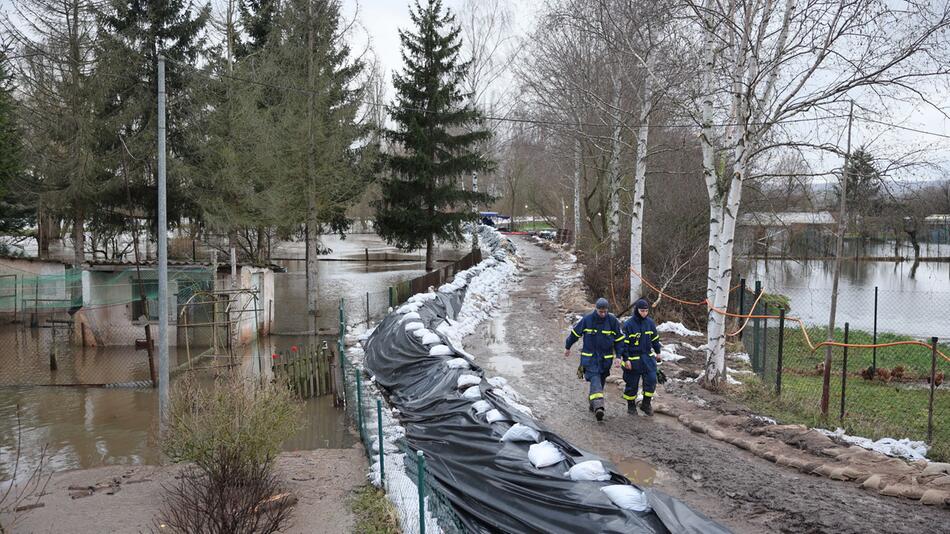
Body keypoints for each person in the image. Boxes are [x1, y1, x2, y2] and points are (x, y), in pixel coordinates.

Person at [564, 298, 625, 421]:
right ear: (596, 309)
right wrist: (567, 347)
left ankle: (593, 403)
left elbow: (619, 340)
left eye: (605, 312)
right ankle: (599, 407)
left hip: (605, 360)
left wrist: (618, 356)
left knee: (600, 382)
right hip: (589, 359)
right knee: (595, 379)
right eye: (600, 311)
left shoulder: (612, 321)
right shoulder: (587, 320)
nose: (603, 314)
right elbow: (575, 334)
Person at [620, 299, 662, 416]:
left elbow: (655, 339)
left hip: (647, 358)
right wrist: (626, 359)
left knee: (652, 380)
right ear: (637, 310)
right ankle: (631, 405)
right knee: (632, 384)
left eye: (646, 311)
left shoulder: (650, 323)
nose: (644, 313)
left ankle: (646, 404)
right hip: (633, 359)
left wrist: (658, 352)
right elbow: (624, 345)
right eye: (642, 311)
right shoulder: (628, 325)